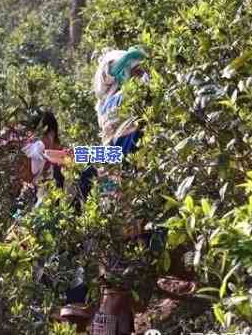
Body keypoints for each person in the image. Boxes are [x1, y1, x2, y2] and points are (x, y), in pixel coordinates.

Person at [88, 46, 150, 335]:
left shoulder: (106, 106)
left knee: (113, 288)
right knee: (116, 289)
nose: (141, 76)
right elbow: (121, 153)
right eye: (134, 72)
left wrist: (76, 155)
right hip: (126, 199)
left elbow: (109, 154)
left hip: (110, 197)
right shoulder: (122, 103)